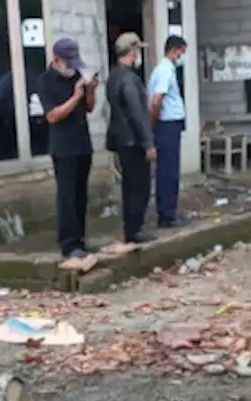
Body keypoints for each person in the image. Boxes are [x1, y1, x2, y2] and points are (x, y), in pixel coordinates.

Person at [38, 37, 99, 272]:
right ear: (56, 60)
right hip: (63, 148)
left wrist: (90, 90)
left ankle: (80, 241)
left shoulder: (76, 76)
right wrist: (75, 96)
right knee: (66, 196)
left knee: (80, 194)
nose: (72, 68)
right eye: (68, 62)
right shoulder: (45, 82)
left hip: (83, 144)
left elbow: (90, 107)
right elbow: (53, 116)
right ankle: (68, 244)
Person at [104, 32, 156, 254]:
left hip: (121, 139)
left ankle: (131, 227)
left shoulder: (114, 76)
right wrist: (148, 143)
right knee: (139, 186)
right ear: (132, 51)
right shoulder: (129, 79)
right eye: (137, 50)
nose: (138, 55)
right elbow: (137, 113)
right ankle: (135, 229)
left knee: (129, 186)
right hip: (133, 140)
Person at [148, 35, 189, 229]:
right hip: (166, 125)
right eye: (181, 52)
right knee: (168, 171)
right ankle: (166, 215)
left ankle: (169, 212)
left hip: (169, 124)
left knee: (171, 170)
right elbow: (157, 100)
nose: (181, 57)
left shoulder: (167, 69)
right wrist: (153, 124)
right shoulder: (164, 70)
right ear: (174, 50)